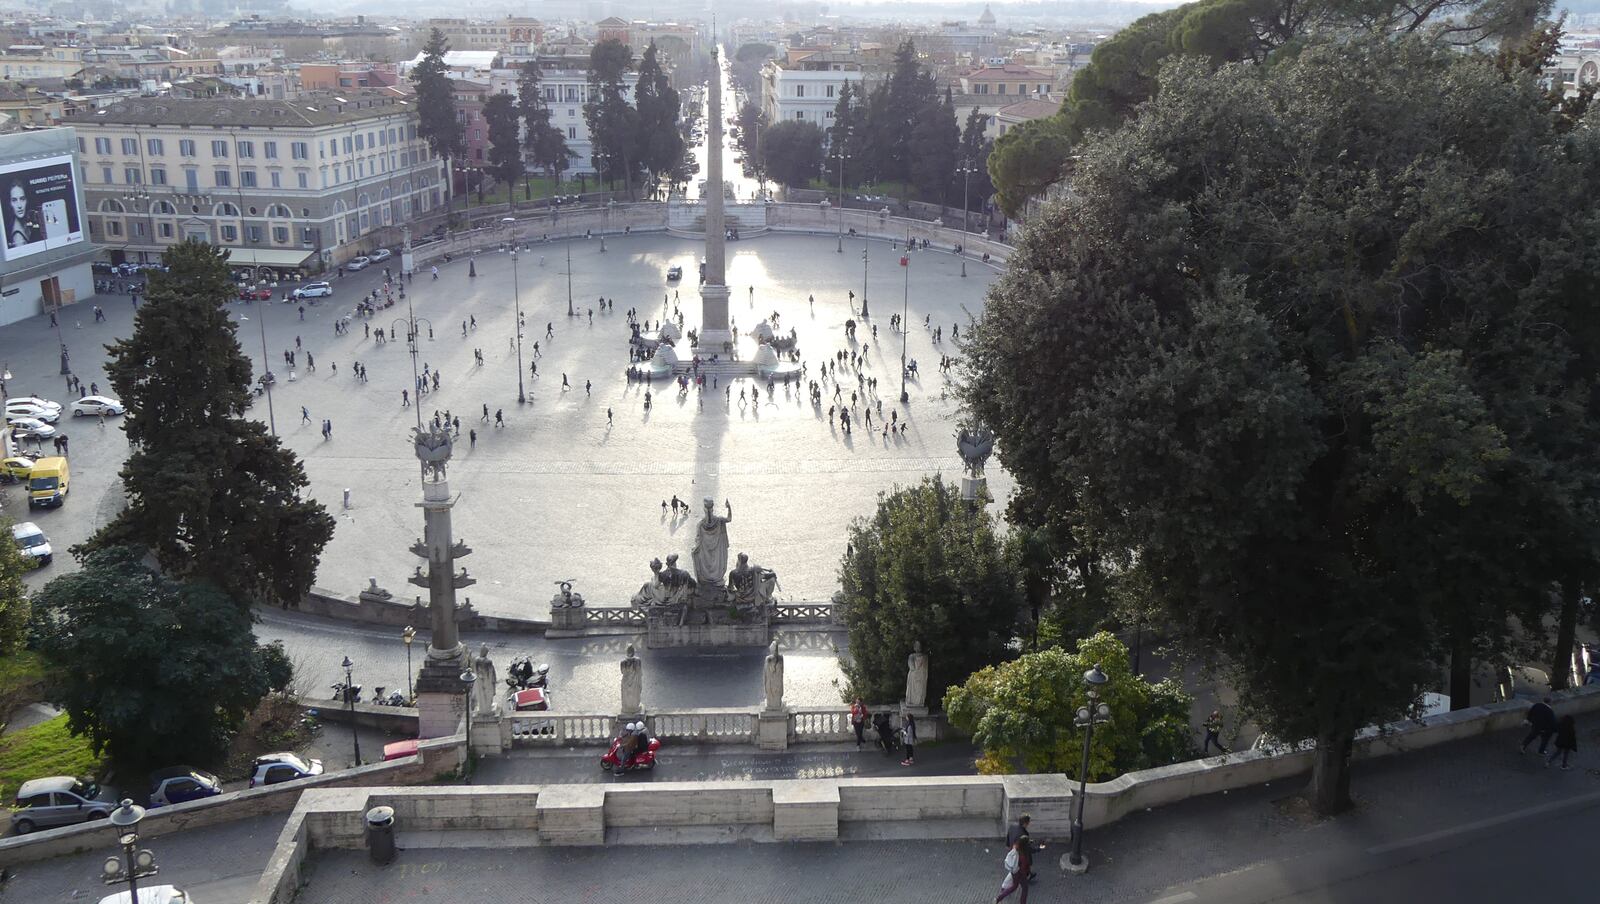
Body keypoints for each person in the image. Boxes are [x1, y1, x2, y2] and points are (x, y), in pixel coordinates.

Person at [995, 838, 1025, 903]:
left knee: (1010, 878)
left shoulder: (1013, 849)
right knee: (1015, 886)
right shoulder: (1020, 854)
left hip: (1013, 870)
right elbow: (1021, 865)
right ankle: (1000, 897)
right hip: (1017, 872)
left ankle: (1003, 890)